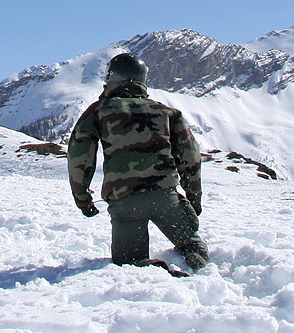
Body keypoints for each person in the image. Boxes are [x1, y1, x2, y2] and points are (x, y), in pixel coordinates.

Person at [67, 53, 209, 271]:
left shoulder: (99, 110)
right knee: (192, 244)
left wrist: (82, 198)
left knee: (130, 263)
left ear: (112, 77)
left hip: (125, 201)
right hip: (166, 198)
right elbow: (190, 157)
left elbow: (79, 154)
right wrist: (193, 197)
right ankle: (198, 268)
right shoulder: (166, 112)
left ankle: (156, 275)